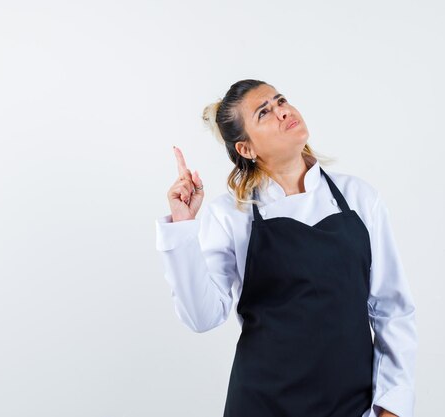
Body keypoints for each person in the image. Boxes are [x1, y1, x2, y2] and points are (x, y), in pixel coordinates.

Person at [155, 79, 417, 417]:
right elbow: (202, 317)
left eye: (281, 101)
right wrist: (183, 227)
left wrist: (392, 407)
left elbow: (392, 309)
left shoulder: (359, 198)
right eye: (265, 112)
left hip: (352, 406)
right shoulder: (231, 215)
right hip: (261, 405)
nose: (283, 112)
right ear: (245, 149)